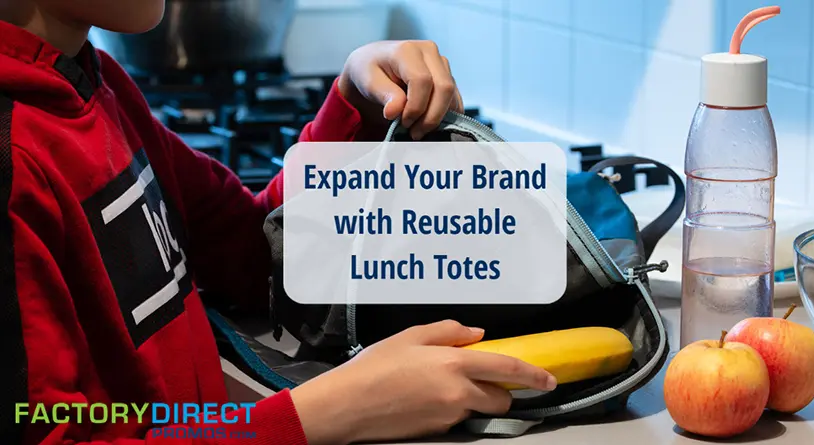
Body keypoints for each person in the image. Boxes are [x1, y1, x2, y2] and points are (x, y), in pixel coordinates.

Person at [0, 1, 557, 444]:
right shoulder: (14, 157)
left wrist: (352, 105)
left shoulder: (94, 81)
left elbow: (251, 249)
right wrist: (322, 414)